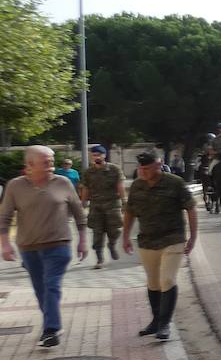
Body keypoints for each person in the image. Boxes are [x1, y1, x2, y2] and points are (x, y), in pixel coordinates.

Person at [0, 145, 88, 347]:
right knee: (41, 289)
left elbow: (79, 214)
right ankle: (53, 323)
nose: (51, 163)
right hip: (28, 247)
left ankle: (50, 329)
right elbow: (4, 218)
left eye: (52, 159)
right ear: (30, 164)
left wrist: (82, 240)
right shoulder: (15, 186)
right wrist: (5, 245)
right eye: (46, 161)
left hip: (59, 244)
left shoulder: (63, 182)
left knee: (51, 284)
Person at [123, 150, 197, 341]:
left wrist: (192, 236)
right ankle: (156, 321)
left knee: (167, 280)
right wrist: (125, 236)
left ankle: (165, 324)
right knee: (153, 282)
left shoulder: (175, 183)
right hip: (147, 240)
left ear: (159, 164)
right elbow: (129, 212)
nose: (143, 172)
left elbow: (190, 208)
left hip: (172, 239)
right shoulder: (137, 186)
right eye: (141, 168)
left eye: (147, 168)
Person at [80, 144, 126, 269]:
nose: (96, 157)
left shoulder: (114, 169)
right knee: (97, 232)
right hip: (96, 206)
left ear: (104, 155)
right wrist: (83, 202)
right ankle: (99, 258)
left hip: (113, 204)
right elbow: (85, 188)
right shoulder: (88, 172)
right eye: (94, 155)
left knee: (115, 229)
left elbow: (120, 185)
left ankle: (112, 244)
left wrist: (124, 201)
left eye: (98, 155)